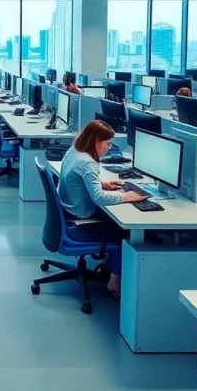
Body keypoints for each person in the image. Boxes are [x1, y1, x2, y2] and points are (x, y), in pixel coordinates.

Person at [58, 120, 147, 299]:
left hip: (70, 207)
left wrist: (102, 184)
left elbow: (79, 181)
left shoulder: (75, 149)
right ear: (96, 141)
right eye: (107, 143)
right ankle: (114, 280)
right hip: (81, 215)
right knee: (125, 232)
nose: (109, 148)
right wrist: (125, 196)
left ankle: (107, 264)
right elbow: (98, 198)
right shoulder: (87, 163)